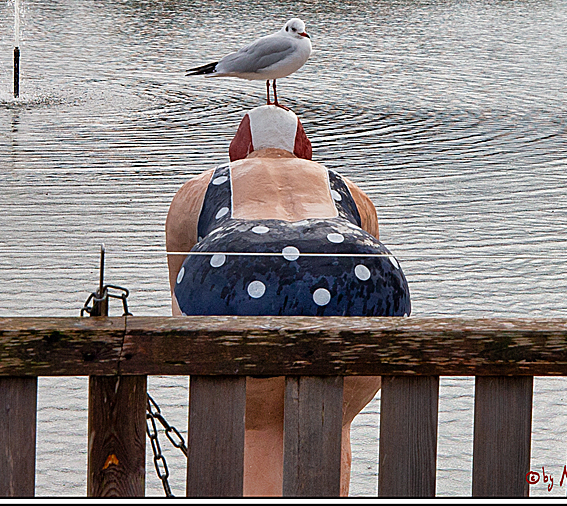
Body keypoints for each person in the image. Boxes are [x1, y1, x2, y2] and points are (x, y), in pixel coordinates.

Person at [164, 104, 411, 496]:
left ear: (237, 147)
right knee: (334, 420)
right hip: (361, 271)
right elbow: (371, 240)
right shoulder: (347, 188)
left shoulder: (202, 187)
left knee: (257, 425)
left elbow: (180, 301)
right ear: (304, 148)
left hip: (241, 268)